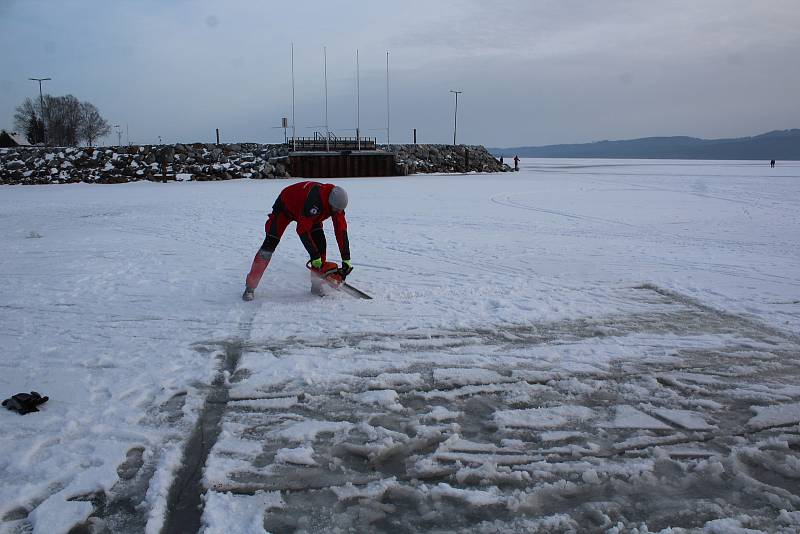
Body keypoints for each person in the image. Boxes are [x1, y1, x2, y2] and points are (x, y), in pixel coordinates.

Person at [243, 181, 352, 301]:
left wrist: (346, 258)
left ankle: (316, 284)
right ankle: (250, 287)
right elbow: (302, 230)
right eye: (335, 209)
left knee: (320, 244)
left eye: (339, 210)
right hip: (286, 207)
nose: (337, 212)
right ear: (329, 202)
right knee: (269, 245)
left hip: (309, 213)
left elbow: (341, 230)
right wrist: (314, 256)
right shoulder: (315, 201)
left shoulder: (337, 206)